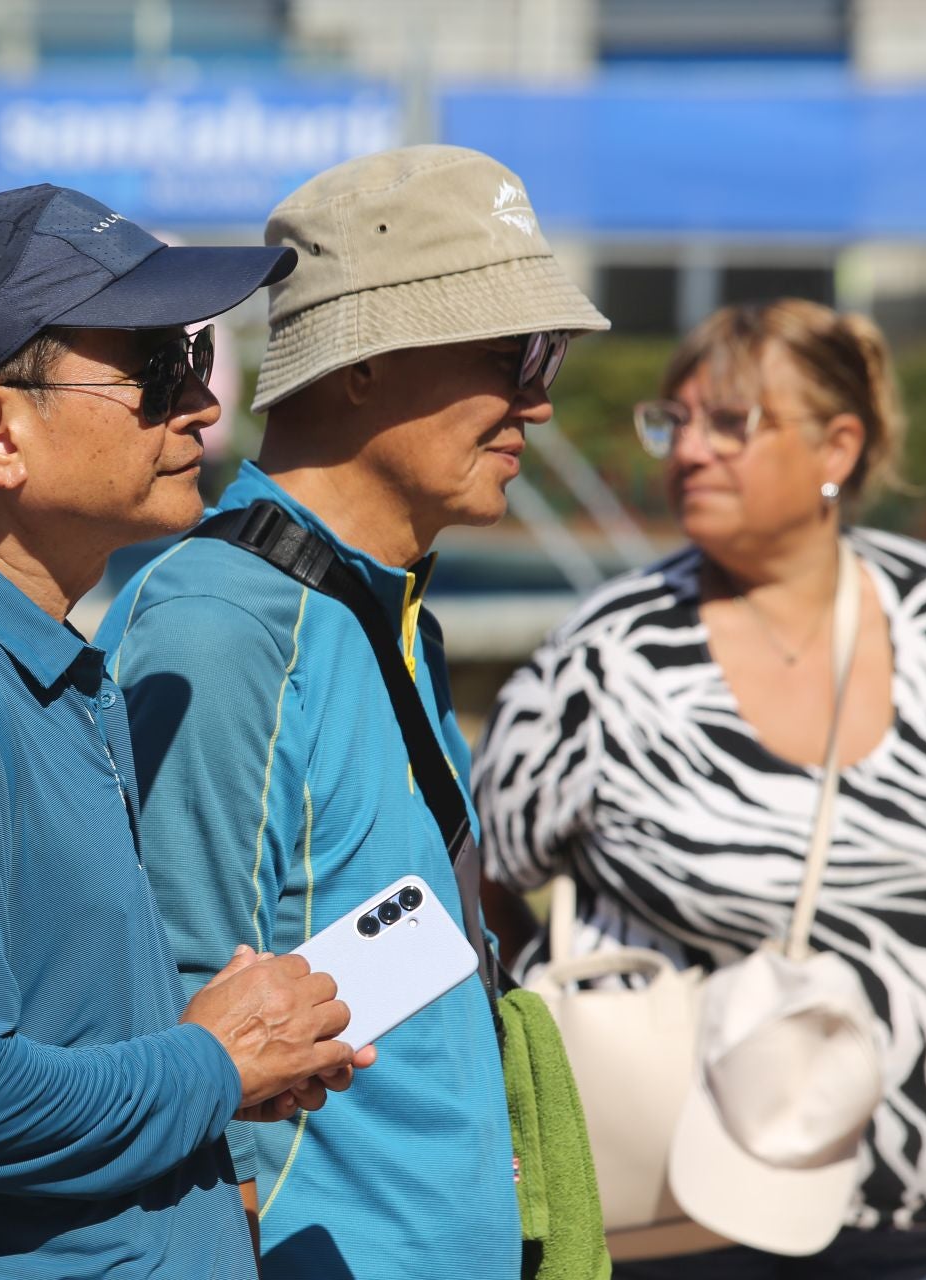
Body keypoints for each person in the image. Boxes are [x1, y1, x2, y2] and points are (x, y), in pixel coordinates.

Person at [0, 183, 375, 1280]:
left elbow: (42, 1048)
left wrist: (219, 1048)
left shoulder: (4, 651)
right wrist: (212, 1061)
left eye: (193, 359)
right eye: (153, 369)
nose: (199, 403)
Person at [98, 144, 610, 1278]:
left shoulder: (378, 603)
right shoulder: (221, 625)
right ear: (363, 364)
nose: (541, 393)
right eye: (509, 349)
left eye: (549, 351)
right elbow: (173, 1034)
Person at [474, 299, 926, 1279]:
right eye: (674, 421)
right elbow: (483, 881)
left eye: (731, 422)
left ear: (840, 444)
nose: (689, 449)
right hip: (681, 1210)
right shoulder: (606, 656)